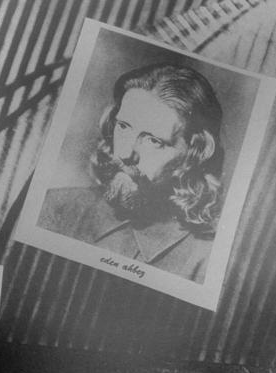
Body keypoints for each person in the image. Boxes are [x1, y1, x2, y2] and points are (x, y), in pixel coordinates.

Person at [38, 63, 224, 283]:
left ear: (194, 155)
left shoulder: (206, 259)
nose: (125, 154)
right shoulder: (53, 207)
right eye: (124, 126)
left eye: (154, 141)